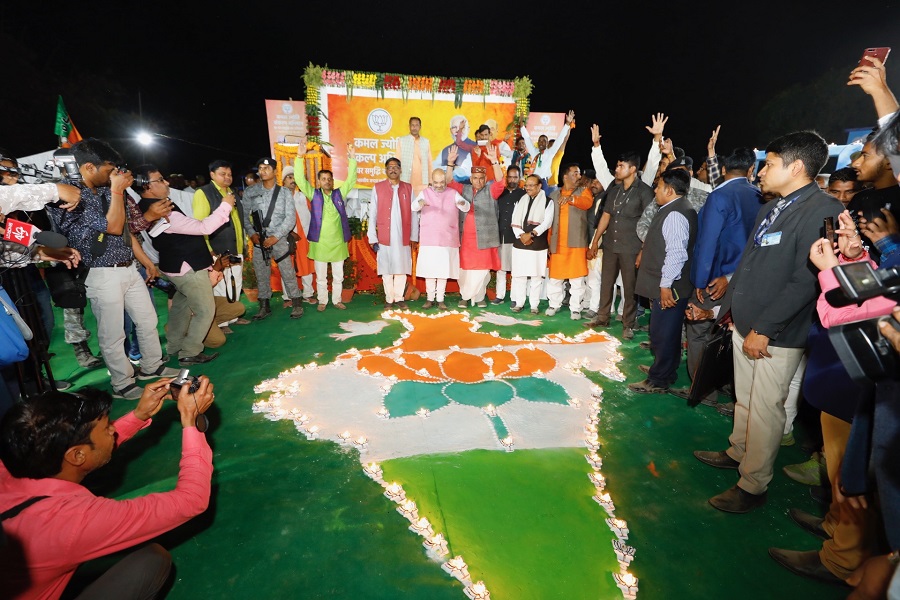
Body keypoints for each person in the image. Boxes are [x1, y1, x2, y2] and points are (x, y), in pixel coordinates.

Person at [693, 130, 843, 514]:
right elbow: (747, 264)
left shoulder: (820, 210)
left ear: (795, 167)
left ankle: (753, 484)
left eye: (770, 164)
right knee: (746, 400)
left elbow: (807, 279)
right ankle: (738, 451)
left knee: (765, 408)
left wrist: (765, 329)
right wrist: (725, 308)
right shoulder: (771, 207)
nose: (761, 172)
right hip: (746, 322)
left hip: (775, 332)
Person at [0, 380, 214, 599]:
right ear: (77, 455)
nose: (113, 429)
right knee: (151, 561)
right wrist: (191, 422)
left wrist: (138, 415)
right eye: (106, 428)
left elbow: (89, 451)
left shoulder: (13, 460)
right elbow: (191, 500)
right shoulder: (71, 520)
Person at [48, 139, 178, 400]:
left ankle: (151, 367)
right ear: (88, 167)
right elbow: (113, 227)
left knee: (148, 320)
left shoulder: (106, 189)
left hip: (128, 267)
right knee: (112, 333)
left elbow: (127, 231)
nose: (113, 175)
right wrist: (118, 191)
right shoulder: (69, 195)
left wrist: (144, 261)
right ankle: (122, 383)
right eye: (109, 170)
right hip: (100, 272)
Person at [676, 147, 763, 404]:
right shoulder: (761, 196)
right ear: (751, 170)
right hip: (746, 279)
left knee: (700, 331)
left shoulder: (719, 196)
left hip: (715, 280)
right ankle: (726, 385)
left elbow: (707, 242)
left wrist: (701, 282)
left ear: (723, 169)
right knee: (732, 334)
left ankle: (703, 390)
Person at [136, 165, 230, 364]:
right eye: (160, 180)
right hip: (188, 268)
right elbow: (204, 227)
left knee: (181, 307)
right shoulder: (160, 209)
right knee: (205, 310)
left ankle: (175, 346)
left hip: (174, 267)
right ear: (146, 187)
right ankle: (190, 352)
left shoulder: (149, 206)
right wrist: (226, 205)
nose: (166, 183)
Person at [629, 168, 696, 393]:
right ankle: (664, 369)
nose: (655, 191)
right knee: (667, 332)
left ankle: (658, 380)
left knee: (663, 333)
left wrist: (666, 285)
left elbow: (677, 253)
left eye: (658, 187)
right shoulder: (674, 208)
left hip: (670, 287)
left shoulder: (676, 213)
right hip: (667, 284)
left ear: (669, 189)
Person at [585, 151, 654, 339]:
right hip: (610, 246)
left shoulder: (645, 191)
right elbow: (606, 216)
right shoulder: (613, 190)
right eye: (616, 166)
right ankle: (602, 317)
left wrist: (642, 251)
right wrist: (595, 242)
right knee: (606, 283)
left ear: (633, 169)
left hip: (632, 247)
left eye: (621, 166)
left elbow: (650, 222)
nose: (617, 169)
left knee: (629, 287)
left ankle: (628, 323)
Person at [294, 144, 358, 311]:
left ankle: (336, 300)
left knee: (338, 276)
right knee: (321, 277)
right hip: (320, 243)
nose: (327, 181)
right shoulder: (313, 194)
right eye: (323, 179)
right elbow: (300, 180)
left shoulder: (339, 194)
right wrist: (299, 158)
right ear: (319, 181)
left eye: (329, 179)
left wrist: (352, 159)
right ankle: (322, 300)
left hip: (337, 243)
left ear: (332, 181)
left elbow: (351, 180)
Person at [243, 157, 303, 320]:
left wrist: (276, 237)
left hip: (279, 239)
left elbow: (290, 219)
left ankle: (296, 302)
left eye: (267, 168)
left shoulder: (283, 193)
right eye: (260, 168)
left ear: (275, 171)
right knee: (262, 274)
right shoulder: (251, 192)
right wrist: (252, 233)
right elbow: (245, 217)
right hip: (259, 241)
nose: (263, 171)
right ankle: (264, 306)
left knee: (287, 272)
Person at [446, 145, 505, 307]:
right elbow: (448, 182)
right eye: (475, 178)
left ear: (485, 180)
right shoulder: (463, 189)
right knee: (464, 270)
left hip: (484, 240)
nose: (478, 181)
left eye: (481, 178)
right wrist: (450, 164)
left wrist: (494, 161)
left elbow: (501, 182)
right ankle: (465, 296)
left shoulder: (491, 191)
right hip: (465, 240)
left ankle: (479, 297)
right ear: (470, 179)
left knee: (481, 271)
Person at [412, 169, 469, 309]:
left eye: (442, 182)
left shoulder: (452, 193)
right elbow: (414, 207)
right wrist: (420, 202)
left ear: (445, 181)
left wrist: (462, 203)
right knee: (430, 271)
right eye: (436, 182)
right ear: (431, 181)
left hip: (447, 239)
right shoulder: (424, 193)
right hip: (429, 239)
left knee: (443, 271)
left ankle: (440, 299)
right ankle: (430, 299)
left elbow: (466, 206)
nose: (439, 185)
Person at [367, 157, 417, 309]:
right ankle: (390, 299)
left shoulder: (408, 188)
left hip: (403, 236)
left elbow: (414, 214)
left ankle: (400, 297)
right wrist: (372, 237)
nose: (393, 169)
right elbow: (373, 213)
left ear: (400, 170)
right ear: (386, 170)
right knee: (386, 269)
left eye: (396, 167)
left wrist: (414, 236)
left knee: (401, 269)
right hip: (384, 236)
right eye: (390, 167)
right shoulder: (378, 188)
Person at [192, 160, 246, 297]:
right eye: (223, 174)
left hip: (236, 248)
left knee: (235, 284)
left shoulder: (232, 192)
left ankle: (233, 317)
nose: (227, 177)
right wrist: (208, 250)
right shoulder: (203, 193)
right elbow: (199, 225)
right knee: (220, 286)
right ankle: (223, 318)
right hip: (217, 251)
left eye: (229, 174)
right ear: (212, 175)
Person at [546, 164, 593, 318]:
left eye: (579, 174)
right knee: (555, 278)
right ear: (565, 176)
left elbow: (587, 204)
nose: (579, 177)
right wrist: (548, 243)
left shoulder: (584, 191)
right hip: (557, 243)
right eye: (575, 173)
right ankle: (554, 304)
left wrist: (571, 198)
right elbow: (548, 221)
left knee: (577, 279)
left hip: (576, 243)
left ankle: (575, 308)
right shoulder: (553, 195)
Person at [509, 175, 553, 314]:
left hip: (538, 244)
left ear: (539, 186)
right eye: (526, 185)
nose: (527, 188)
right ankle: (520, 303)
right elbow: (514, 219)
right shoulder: (520, 200)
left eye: (531, 185)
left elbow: (547, 223)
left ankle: (534, 305)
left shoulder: (548, 202)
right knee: (520, 276)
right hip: (520, 243)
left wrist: (531, 234)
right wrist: (522, 235)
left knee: (536, 277)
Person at [492, 165, 526, 305]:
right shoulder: (501, 193)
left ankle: (514, 297)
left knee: (515, 269)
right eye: (510, 177)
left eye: (515, 177)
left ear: (519, 178)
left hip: (516, 238)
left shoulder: (523, 195)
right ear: (506, 178)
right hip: (500, 235)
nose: (512, 180)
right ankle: (499, 296)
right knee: (501, 268)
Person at [520, 111, 573, 192]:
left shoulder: (550, 152)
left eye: (544, 141)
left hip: (543, 182)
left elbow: (560, 139)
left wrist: (567, 124)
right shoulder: (534, 151)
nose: (541, 142)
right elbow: (526, 137)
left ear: (547, 143)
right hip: (533, 181)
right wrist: (521, 125)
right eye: (540, 140)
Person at [397, 116, 432, 197]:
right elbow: (397, 161)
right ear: (409, 126)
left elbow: (429, 162)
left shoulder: (426, 142)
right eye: (412, 125)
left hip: (422, 181)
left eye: (416, 125)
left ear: (420, 127)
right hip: (406, 179)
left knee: (421, 205)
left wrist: (430, 180)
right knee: (406, 205)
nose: (414, 127)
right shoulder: (402, 141)